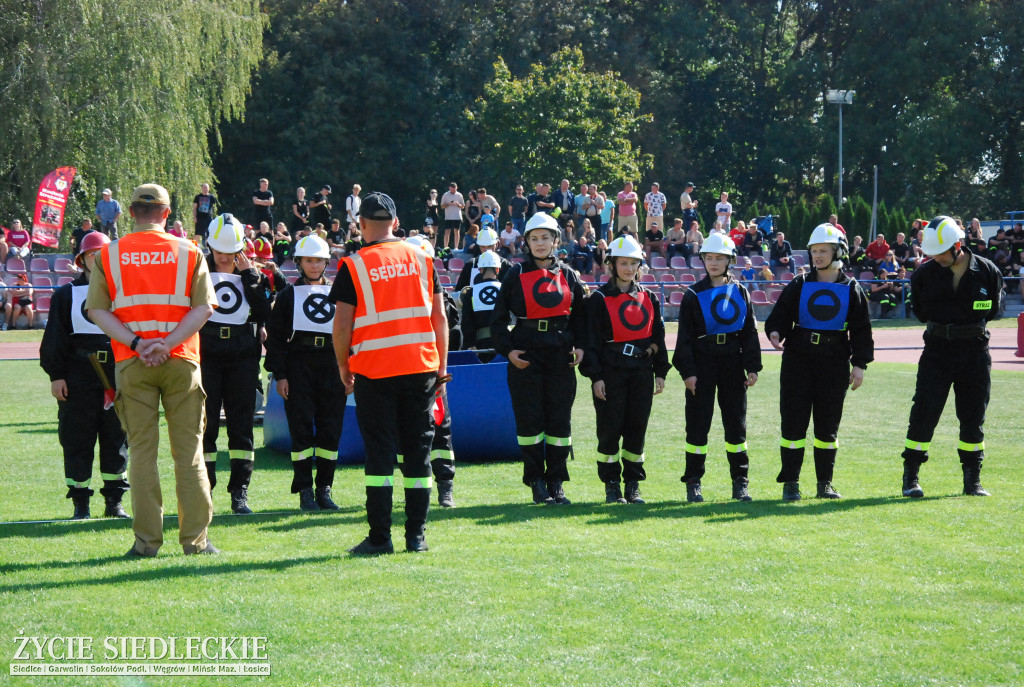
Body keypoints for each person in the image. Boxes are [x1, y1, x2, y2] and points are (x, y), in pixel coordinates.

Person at [86, 183, 219, 556]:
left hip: (133, 361)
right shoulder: (190, 251)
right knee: (189, 452)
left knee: (142, 454)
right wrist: (168, 343)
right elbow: (204, 308)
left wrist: (138, 344)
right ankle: (196, 542)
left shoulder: (109, 255)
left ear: (130, 213)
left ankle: (146, 543)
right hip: (182, 360)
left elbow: (97, 311)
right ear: (166, 213)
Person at [331, 192, 449, 554]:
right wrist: (442, 367)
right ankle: (417, 536)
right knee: (418, 452)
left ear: (361, 225)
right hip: (421, 368)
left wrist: (342, 366)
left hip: (374, 371)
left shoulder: (353, 266)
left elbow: (342, 325)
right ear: (396, 223)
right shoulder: (423, 258)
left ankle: (380, 537)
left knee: (379, 455)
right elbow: (440, 317)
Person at [765, 223, 874, 501]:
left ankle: (825, 483)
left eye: (823, 250)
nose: (817, 256)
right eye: (814, 251)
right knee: (793, 422)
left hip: (834, 360)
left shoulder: (852, 288)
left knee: (827, 425)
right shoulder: (799, 283)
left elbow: (862, 330)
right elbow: (780, 315)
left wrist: (859, 365)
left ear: (839, 252)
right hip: (798, 358)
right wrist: (775, 331)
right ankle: (791, 483)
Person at [900, 216, 1003, 499]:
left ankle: (972, 480)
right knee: (924, 412)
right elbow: (920, 312)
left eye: (941, 253)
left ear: (958, 245)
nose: (936, 258)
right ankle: (911, 477)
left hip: (975, 352)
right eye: (931, 253)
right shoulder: (923, 275)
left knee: (973, 415)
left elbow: (994, 310)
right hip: (937, 350)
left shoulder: (988, 271)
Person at [491, 212, 587, 506]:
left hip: (560, 354)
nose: (540, 243)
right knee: (530, 421)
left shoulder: (569, 275)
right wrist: (508, 351)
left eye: (546, 237)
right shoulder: (514, 274)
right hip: (527, 355)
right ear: (527, 242)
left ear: (556, 240)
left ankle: (557, 481)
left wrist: (581, 346)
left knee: (559, 420)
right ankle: (536, 481)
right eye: (534, 238)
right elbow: (496, 321)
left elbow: (582, 318)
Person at [40, 230, 130, 520]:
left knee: (116, 439)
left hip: (117, 374)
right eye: (93, 255)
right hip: (78, 378)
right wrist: (56, 375)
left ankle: (114, 502)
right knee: (77, 438)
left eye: (104, 255)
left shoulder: (125, 295)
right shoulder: (65, 295)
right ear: (83, 259)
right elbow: (54, 338)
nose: (99, 260)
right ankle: (81, 503)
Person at [673, 233, 761, 502]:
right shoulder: (692, 294)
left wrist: (753, 366)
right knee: (698, 426)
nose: (713, 262)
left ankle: (740, 481)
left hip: (732, 363)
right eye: (709, 257)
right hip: (702, 363)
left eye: (719, 258)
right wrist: (688, 372)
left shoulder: (741, 291)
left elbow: (749, 331)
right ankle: (693, 481)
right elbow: (684, 338)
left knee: (736, 425)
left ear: (729, 260)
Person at [582, 235, 669, 504]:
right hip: (610, 372)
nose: (629, 269)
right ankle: (611, 485)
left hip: (641, 372)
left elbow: (658, 336)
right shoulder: (597, 299)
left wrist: (660, 371)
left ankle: (633, 484)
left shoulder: (649, 297)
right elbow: (590, 341)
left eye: (634, 263)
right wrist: (596, 377)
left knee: (636, 429)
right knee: (609, 429)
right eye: (623, 263)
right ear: (612, 264)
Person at [264, 235, 345, 512]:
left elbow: (351, 334)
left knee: (330, 430)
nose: (314, 265)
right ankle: (304, 490)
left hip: (332, 365)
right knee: (300, 431)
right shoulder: (287, 296)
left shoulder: (339, 293)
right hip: (299, 365)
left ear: (326, 262)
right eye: (309, 260)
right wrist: (281, 374)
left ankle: (325, 489)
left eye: (319, 260)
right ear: (299, 262)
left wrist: (350, 370)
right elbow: (274, 339)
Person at [200, 214, 271, 514]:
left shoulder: (252, 274)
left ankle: (240, 491)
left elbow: (265, 307)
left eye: (230, 253)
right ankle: (206, 490)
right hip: (207, 353)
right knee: (206, 427)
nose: (225, 258)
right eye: (219, 253)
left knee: (242, 427)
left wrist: (250, 277)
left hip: (242, 354)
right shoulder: (198, 270)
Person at [439, 182, 465, 252]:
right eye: (452, 190)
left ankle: (456, 247)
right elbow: (442, 206)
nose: (453, 191)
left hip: (457, 216)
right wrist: (449, 204)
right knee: (447, 231)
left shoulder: (459, 195)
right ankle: (445, 247)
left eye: (455, 189)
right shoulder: (445, 195)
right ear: (449, 188)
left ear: (457, 188)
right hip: (448, 216)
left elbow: (463, 206)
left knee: (457, 231)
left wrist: (458, 204)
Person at [192, 183, 217, 248]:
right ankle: (195, 247)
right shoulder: (197, 197)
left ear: (209, 189)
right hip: (199, 218)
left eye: (207, 187)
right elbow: (194, 208)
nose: (205, 189)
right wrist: (194, 217)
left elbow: (215, 207)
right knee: (197, 233)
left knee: (208, 234)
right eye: (204, 187)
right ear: (202, 188)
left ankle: (207, 248)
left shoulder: (212, 197)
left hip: (208, 218)